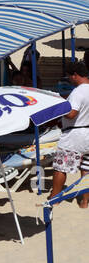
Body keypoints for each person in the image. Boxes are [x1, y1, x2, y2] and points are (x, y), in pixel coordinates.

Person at [48, 62, 89, 206]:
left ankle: (54, 199)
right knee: (86, 169)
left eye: (69, 77)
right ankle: (84, 202)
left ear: (75, 75)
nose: (70, 80)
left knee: (61, 167)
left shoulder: (78, 92)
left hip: (74, 135)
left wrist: (59, 108)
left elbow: (71, 114)